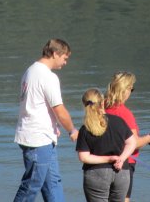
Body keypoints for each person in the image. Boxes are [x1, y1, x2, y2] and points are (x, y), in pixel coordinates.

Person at [14, 39, 79, 202]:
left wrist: (53, 125)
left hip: (42, 136)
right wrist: (72, 130)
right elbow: (59, 110)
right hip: (37, 139)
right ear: (55, 53)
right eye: (65, 58)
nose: (65, 62)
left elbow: (36, 105)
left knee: (52, 184)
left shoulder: (30, 71)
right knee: (31, 185)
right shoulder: (47, 76)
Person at [76, 88, 137, 202]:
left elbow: (83, 157)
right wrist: (121, 158)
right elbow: (132, 142)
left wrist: (108, 159)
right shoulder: (119, 121)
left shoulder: (85, 129)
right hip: (121, 172)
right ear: (103, 102)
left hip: (96, 174)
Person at [104, 71, 150, 202]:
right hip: (125, 163)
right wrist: (149, 138)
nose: (131, 92)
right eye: (131, 89)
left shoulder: (101, 107)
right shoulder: (125, 113)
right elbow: (135, 143)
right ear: (125, 89)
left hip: (102, 160)